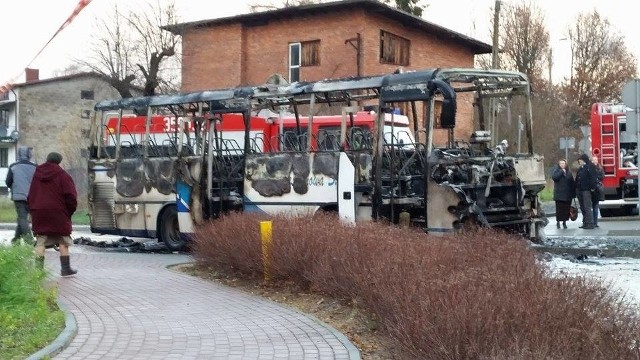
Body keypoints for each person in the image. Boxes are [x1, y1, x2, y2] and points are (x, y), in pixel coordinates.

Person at [28, 152, 78, 276]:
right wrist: (68, 212)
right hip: (58, 212)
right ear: (59, 161)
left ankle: (38, 271)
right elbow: (71, 196)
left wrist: (33, 209)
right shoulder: (63, 175)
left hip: (39, 211)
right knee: (63, 240)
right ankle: (65, 269)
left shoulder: (37, 174)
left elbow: (31, 194)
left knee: (40, 241)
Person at [5, 146, 36, 244]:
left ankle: (29, 240)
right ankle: (16, 240)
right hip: (32, 196)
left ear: (19, 154)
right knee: (22, 218)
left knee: (22, 218)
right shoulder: (35, 166)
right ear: (29, 154)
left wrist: (14, 187)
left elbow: (8, 181)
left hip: (18, 197)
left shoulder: (13, 166)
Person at [575, 153, 597, 230]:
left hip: (586, 190)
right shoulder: (581, 168)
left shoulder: (590, 166)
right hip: (580, 189)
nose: (579, 162)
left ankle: (590, 223)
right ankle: (585, 222)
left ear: (584, 160)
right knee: (582, 207)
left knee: (587, 207)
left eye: (580, 160)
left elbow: (593, 178)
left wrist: (592, 188)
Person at [551, 158, 575, 229]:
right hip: (559, 194)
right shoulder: (556, 171)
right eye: (560, 163)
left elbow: (572, 183)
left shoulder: (569, 172)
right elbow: (554, 178)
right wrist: (561, 172)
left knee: (566, 209)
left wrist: (573, 194)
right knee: (559, 209)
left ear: (566, 164)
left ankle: (564, 222)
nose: (562, 165)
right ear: (559, 164)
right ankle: (558, 222)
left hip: (567, 195)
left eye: (563, 163)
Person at [591, 155, 605, 228]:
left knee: (595, 206)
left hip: (597, 189)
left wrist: (596, 177)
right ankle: (591, 221)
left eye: (596, 160)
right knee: (590, 207)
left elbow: (602, 176)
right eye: (593, 160)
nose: (595, 161)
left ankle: (595, 222)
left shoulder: (600, 168)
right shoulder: (589, 168)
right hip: (590, 189)